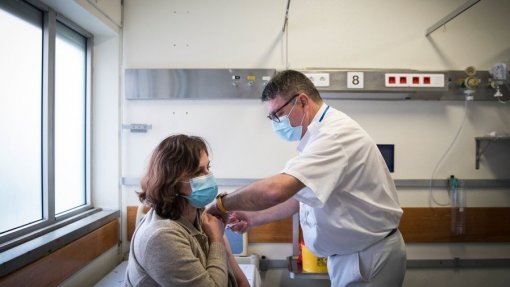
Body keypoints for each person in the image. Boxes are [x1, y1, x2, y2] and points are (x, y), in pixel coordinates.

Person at [208, 70, 407, 286]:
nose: (276, 123)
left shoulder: (334, 136)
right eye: (272, 117)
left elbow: (276, 190)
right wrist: (254, 218)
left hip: (368, 257)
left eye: (278, 114)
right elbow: (299, 198)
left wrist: (221, 205)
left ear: (302, 101)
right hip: (354, 256)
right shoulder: (317, 137)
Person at [124, 134, 249, 287]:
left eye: (207, 168)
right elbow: (218, 249)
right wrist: (216, 239)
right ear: (172, 182)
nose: (209, 177)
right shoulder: (161, 237)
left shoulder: (197, 211)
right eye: (198, 172)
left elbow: (233, 271)